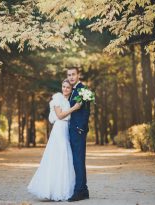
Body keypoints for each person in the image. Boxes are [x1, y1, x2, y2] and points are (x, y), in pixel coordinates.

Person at [27, 79, 81, 201]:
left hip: (66, 129)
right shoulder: (57, 99)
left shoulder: (70, 100)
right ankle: (50, 189)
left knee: (65, 158)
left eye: (68, 87)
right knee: (57, 156)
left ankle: (62, 188)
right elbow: (60, 115)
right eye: (64, 86)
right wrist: (75, 108)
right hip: (59, 129)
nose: (65, 89)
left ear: (71, 89)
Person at [67, 66, 91, 202]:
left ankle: (79, 191)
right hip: (72, 130)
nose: (71, 77)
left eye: (73, 74)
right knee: (77, 161)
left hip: (78, 130)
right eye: (69, 75)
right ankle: (84, 190)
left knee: (78, 161)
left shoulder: (83, 90)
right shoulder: (72, 90)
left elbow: (86, 111)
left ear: (78, 75)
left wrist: (81, 128)